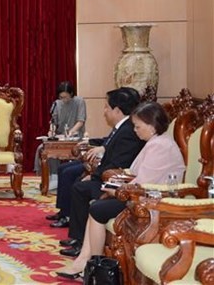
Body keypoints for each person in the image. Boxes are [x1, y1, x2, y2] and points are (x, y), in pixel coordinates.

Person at [57, 102, 186, 280]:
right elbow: (135, 175)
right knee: (96, 205)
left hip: (152, 200)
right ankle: (86, 261)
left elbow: (142, 183)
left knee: (97, 209)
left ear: (151, 125)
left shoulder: (160, 146)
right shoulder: (155, 141)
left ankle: (96, 267)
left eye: (138, 126)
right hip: (142, 194)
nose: (135, 130)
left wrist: (114, 189)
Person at [58, 87, 145, 257]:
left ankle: (80, 240)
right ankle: (78, 237)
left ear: (117, 110)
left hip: (119, 180)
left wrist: (95, 175)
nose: (104, 111)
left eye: (106, 107)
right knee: (78, 184)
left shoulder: (128, 131)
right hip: (111, 174)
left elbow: (119, 162)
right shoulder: (123, 127)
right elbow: (109, 147)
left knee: (80, 188)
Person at [34, 81, 87, 188]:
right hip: (60, 136)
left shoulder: (79, 101)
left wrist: (71, 132)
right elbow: (53, 122)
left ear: (71, 94)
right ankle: (54, 176)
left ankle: (62, 178)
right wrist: (51, 131)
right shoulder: (57, 104)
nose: (64, 100)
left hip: (75, 137)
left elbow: (81, 121)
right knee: (45, 148)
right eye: (61, 97)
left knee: (58, 148)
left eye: (66, 97)